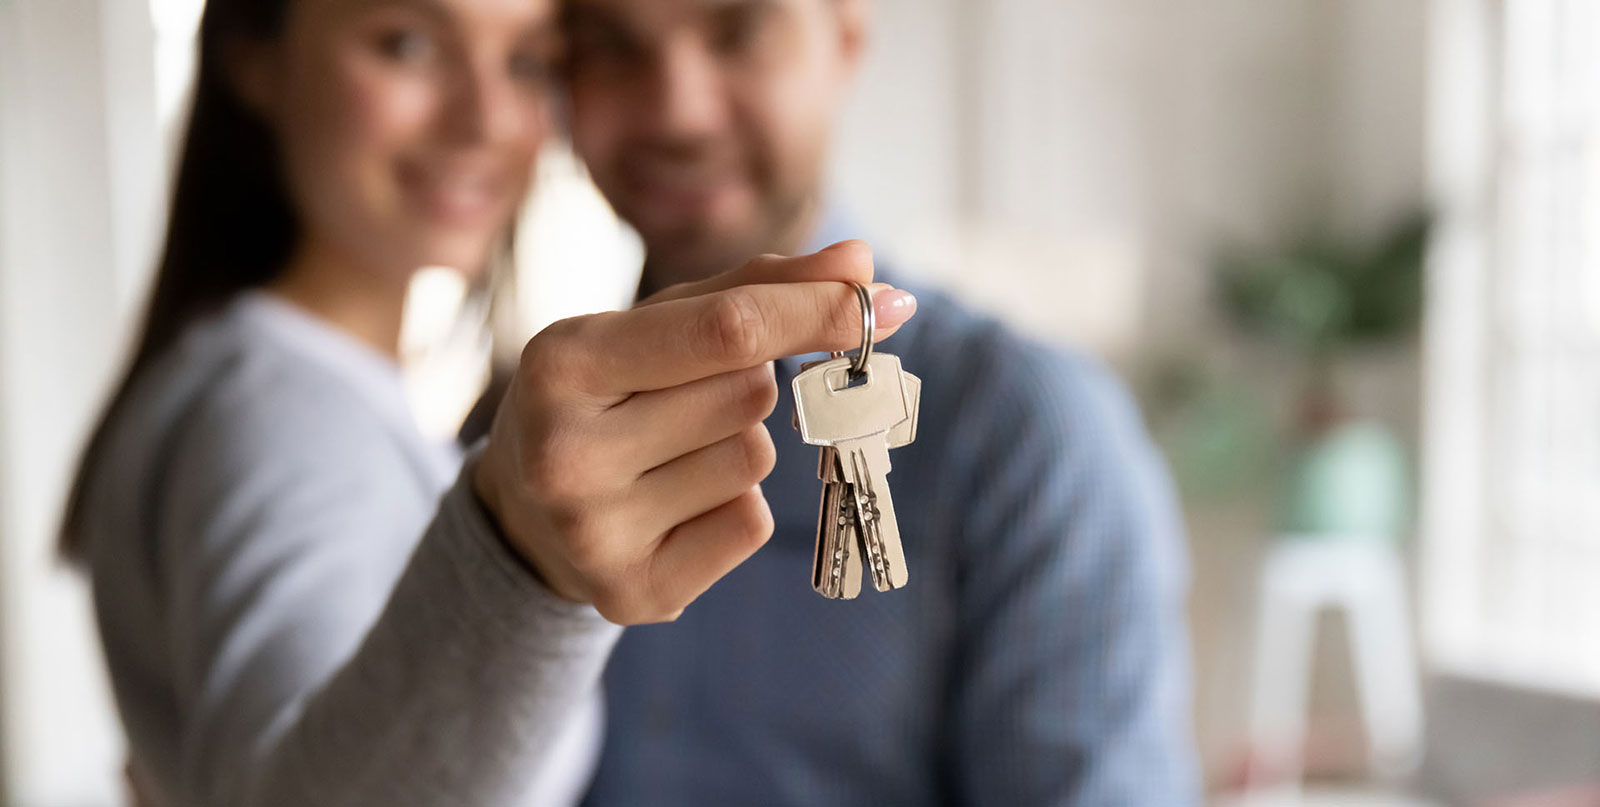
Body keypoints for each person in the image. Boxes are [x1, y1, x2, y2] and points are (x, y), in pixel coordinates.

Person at [61, 0, 916, 804]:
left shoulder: (307, 390)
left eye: (526, 61)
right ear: (254, 55)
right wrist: (518, 566)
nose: (486, 120)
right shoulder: (274, 418)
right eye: (407, 42)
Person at [557, 0, 1201, 803]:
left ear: (847, 41)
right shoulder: (521, 436)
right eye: (609, 46)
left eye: (740, 29)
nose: (677, 111)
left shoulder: (1028, 432)